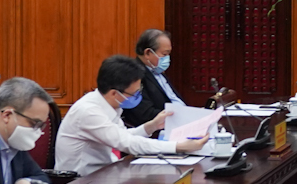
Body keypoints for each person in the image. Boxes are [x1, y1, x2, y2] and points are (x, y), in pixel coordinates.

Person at [56, 55, 210, 176]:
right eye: (134, 93)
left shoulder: (110, 104)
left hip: (104, 172)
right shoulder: (88, 111)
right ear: (114, 93)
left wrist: (151, 126)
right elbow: (127, 143)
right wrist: (179, 147)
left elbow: (121, 136)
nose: (138, 96)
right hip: (80, 181)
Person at [120, 29, 187, 131]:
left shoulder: (158, 72)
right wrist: (181, 117)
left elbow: (174, 99)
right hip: (160, 130)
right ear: (147, 53)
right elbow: (144, 114)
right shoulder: (133, 76)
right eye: (164, 54)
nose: (168, 59)